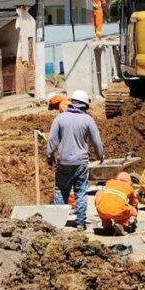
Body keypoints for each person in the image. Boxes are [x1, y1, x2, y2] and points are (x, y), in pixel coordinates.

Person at [47, 89, 105, 231]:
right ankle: (80, 223)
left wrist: (49, 156)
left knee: (61, 190)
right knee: (80, 192)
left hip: (64, 162)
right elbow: (96, 141)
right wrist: (100, 155)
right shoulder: (87, 119)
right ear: (84, 105)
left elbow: (52, 140)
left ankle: (59, 222)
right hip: (81, 162)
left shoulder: (60, 119)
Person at [95, 171, 138, 235]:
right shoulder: (130, 188)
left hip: (102, 211)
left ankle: (107, 226)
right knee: (133, 211)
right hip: (117, 213)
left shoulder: (109, 182)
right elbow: (134, 202)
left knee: (99, 194)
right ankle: (122, 223)